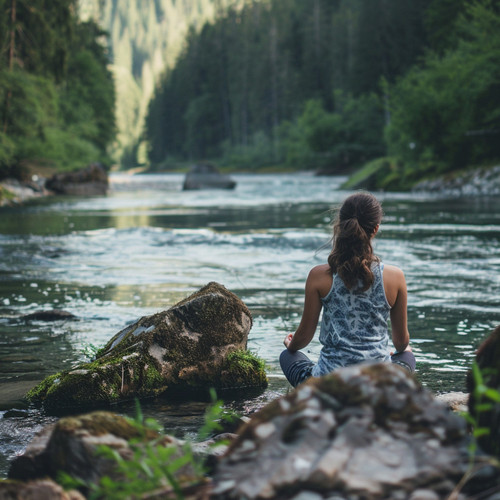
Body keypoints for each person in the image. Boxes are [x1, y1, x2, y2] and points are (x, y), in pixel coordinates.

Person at [280, 191, 416, 387]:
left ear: (340, 226)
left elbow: (303, 337)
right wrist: (402, 349)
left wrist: (291, 344)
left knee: (288, 355)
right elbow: (401, 342)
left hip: (327, 387)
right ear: (375, 229)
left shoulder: (319, 276)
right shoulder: (395, 277)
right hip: (378, 387)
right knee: (406, 355)